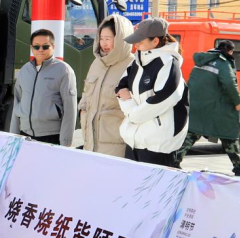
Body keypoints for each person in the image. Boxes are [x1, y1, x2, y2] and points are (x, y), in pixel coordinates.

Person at [117, 18, 189, 167]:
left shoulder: (168, 63)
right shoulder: (136, 61)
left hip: (158, 146)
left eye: (140, 41)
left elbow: (166, 98)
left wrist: (131, 110)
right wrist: (131, 109)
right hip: (133, 141)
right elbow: (120, 89)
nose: (136, 45)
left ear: (155, 41)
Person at [174, 40, 240, 176]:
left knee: (193, 133)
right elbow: (229, 83)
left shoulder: (202, 60)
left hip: (199, 103)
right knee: (228, 134)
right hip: (217, 106)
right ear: (230, 51)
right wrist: (237, 101)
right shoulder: (223, 63)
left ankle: (175, 160)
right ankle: (238, 166)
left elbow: (192, 81)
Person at [10, 29, 78, 146]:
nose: (40, 50)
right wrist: (13, 135)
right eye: (36, 47)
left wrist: (65, 142)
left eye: (45, 46)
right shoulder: (25, 70)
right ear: (31, 48)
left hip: (51, 136)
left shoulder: (64, 70)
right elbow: (17, 102)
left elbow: (70, 109)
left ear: (53, 47)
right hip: (24, 134)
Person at [79, 15, 135, 157]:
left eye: (108, 39)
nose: (104, 43)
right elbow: (86, 92)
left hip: (117, 145)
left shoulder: (132, 64)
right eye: (101, 38)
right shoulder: (96, 63)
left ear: (121, 39)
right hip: (90, 142)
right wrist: (83, 110)